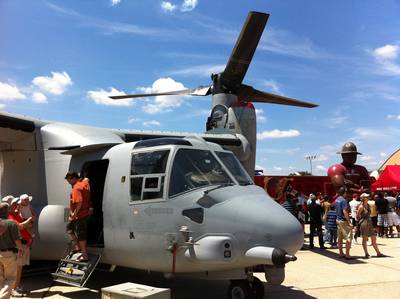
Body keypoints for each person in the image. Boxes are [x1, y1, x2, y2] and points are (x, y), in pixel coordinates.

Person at [7, 197, 33, 297]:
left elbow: (26, 227)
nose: (17, 205)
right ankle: (13, 289)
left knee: (19, 267)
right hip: (19, 246)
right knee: (16, 268)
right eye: (14, 204)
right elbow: (20, 227)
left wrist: (30, 237)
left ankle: (16, 287)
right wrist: (28, 221)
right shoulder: (9, 216)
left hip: (24, 244)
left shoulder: (16, 214)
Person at [65, 171, 91, 262]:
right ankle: (78, 247)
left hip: (80, 215)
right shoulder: (84, 183)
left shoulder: (76, 188)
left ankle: (84, 255)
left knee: (81, 235)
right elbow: (87, 180)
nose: (68, 183)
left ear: (73, 178)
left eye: (69, 180)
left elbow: (79, 202)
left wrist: (74, 214)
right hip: (83, 213)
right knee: (69, 229)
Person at [0, 202, 23, 299]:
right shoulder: (11, 223)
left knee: (1, 279)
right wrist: (22, 250)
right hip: (8, 254)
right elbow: (17, 241)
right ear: (7, 211)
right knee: (10, 279)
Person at [357, 193, 385, 258]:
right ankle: (366, 253)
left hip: (370, 222)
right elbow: (357, 216)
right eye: (366, 196)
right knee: (364, 239)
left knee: (374, 238)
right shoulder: (361, 207)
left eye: (368, 196)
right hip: (364, 223)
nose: (368, 197)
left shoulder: (368, 205)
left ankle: (378, 253)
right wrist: (361, 220)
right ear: (363, 198)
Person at [335, 187, 353, 259]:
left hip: (339, 220)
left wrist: (337, 217)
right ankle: (347, 254)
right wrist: (349, 222)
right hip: (344, 221)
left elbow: (336, 210)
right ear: (344, 193)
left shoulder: (337, 200)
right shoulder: (344, 201)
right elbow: (345, 211)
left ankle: (341, 253)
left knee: (340, 238)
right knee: (349, 237)